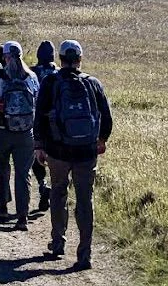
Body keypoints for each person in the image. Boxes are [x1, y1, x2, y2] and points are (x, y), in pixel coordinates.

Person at [34, 39, 112, 270]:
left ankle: (58, 243)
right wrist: (101, 140)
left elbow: (40, 115)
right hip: (87, 152)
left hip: (57, 151)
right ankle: (84, 255)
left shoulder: (50, 82)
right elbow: (106, 117)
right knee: (85, 200)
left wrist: (39, 145)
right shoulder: (93, 83)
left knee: (58, 194)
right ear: (80, 59)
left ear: (60, 59)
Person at [0, 41, 39, 230]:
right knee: (23, 175)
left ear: (5, 57)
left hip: (1, 130)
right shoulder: (32, 77)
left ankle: (1, 207)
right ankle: (22, 217)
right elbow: (37, 106)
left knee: (2, 168)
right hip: (26, 133)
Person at [30, 41, 59, 211]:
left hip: (37, 120)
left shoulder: (33, 72)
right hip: (58, 123)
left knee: (37, 157)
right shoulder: (59, 73)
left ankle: (42, 184)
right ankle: (56, 189)